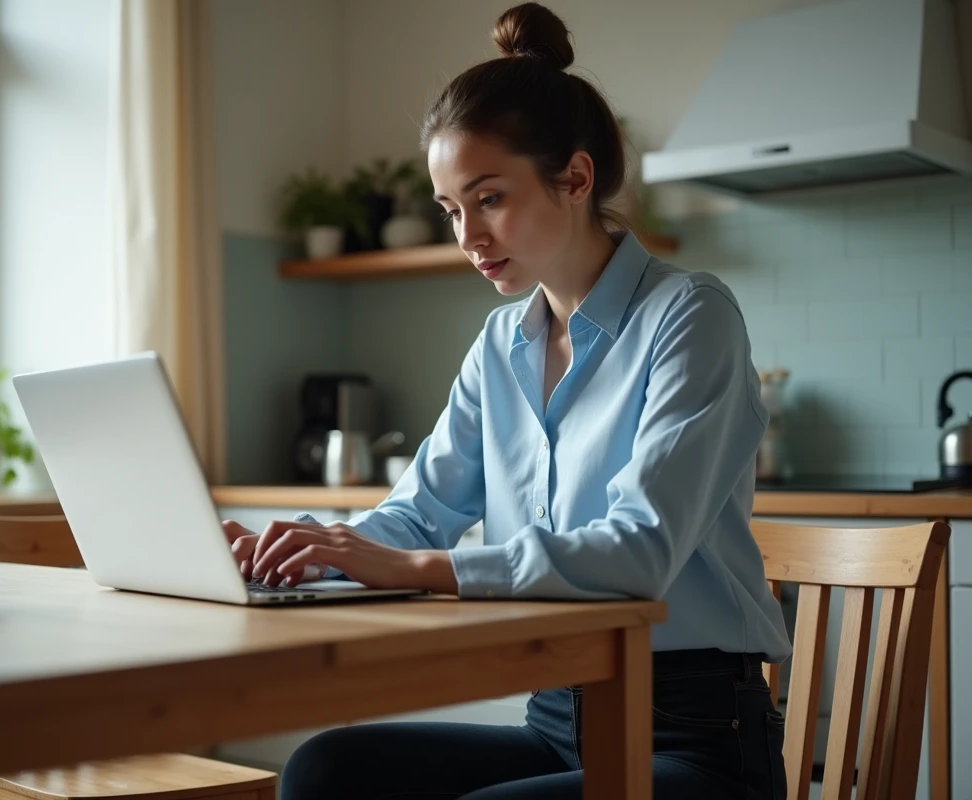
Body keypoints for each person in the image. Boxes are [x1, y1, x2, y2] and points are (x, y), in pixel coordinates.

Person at [222, 3, 791, 798]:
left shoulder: (689, 315)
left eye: (488, 198)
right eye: (452, 210)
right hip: (556, 721)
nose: (468, 236)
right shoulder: (500, 344)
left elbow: (638, 553)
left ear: (576, 178)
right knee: (325, 771)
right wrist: (315, 550)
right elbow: (418, 515)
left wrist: (413, 567)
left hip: (695, 739)